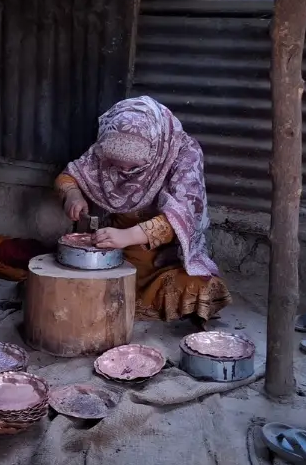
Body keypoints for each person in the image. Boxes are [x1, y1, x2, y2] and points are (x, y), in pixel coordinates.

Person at [54, 96, 230, 322]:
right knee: (68, 282)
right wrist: (72, 195)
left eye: (133, 164)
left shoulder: (185, 153)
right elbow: (69, 176)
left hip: (164, 257)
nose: (124, 170)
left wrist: (128, 236)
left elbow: (184, 216)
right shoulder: (108, 145)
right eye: (116, 163)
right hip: (114, 247)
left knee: (201, 288)